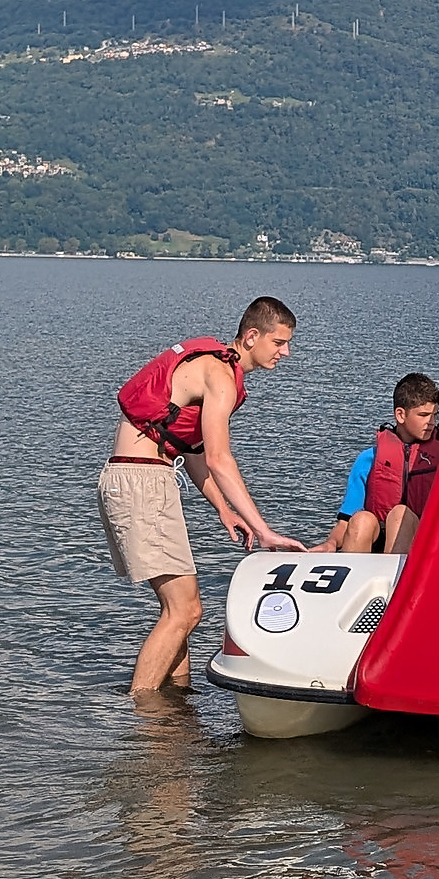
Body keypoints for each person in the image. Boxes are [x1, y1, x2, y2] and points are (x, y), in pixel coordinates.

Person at [98, 297, 304, 696]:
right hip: (142, 482)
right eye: (279, 342)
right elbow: (219, 459)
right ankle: (143, 709)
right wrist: (265, 531)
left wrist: (224, 510)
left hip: (133, 478)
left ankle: (176, 706)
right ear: (252, 336)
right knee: (186, 610)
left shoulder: (211, 365)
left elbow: (190, 450)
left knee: (179, 610)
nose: (286, 352)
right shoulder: (221, 375)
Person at [315, 372, 439, 555]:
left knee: (400, 514)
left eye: (434, 415)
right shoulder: (368, 459)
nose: (431, 422)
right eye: (423, 415)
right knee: (361, 520)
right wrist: (330, 543)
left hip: (421, 541)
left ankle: (398, 571)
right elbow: (345, 522)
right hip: (378, 536)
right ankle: (353, 568)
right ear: (400, 415)